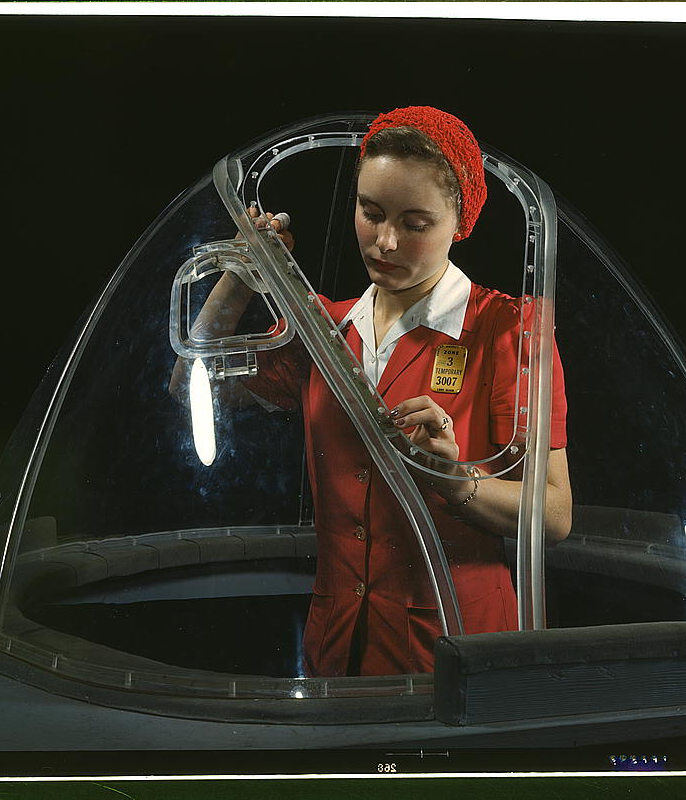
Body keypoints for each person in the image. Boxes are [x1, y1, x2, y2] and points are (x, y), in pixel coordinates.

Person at [172, 107, 571, 677]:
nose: (384, 241)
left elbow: (555, 516)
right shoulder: (322, 330)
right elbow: (189, 384)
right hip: (337, 649)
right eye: (371, 212)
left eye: (415, 224)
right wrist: (242, 271)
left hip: (458, 647)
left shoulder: (509, 330)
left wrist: (457, 482)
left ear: (459, 222)